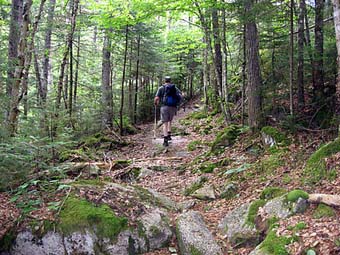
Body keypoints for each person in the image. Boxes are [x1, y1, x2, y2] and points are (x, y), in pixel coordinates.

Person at [154, 76, 182, 147]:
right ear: (170, 80)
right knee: (170, 120)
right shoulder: (174, 88)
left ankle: (165, 140)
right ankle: (169, 134)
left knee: (164, 123)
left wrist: (156, 103)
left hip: (164, 107)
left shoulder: (161, 88)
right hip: (173, 107)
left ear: (164, 81)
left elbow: (157, 98)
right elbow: (180, 95)